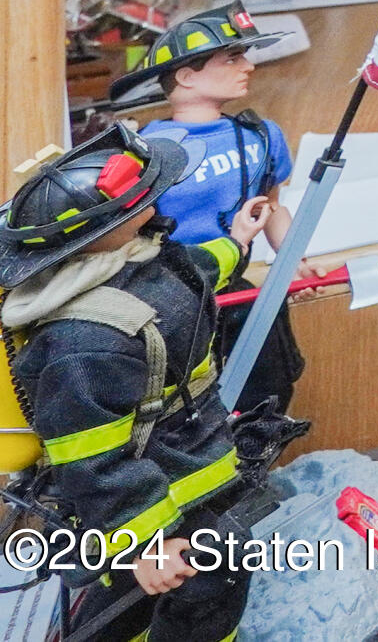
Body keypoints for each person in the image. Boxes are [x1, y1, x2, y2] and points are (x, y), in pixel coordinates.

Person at [2, 125, 278, 642]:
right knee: (212, 576)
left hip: (185, 462)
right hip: (151, 487)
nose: (154, 197)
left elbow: (192, 271)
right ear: (107, 226)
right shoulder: (85, 342)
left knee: (143, 594)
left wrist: (236, 243)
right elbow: (93, 462)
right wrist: (148, 541)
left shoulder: (135, 257)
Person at [109, 7, 326, 412]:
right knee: (180, 406)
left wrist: (291, 257)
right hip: (170, 303)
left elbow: (271, 206)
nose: (248, 66)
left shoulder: (259, 136)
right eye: (232, 58)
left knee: (266, 395)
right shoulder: (145, 151)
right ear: (187, 75)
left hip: (237, 297)